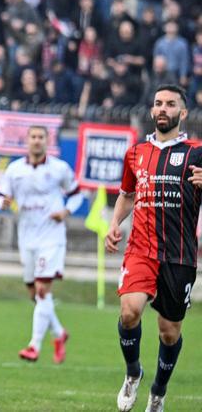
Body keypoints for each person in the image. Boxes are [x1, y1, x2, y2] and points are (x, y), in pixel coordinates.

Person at [108, 84, 202, 412]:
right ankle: (133, 372)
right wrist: (114, 224)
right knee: (130, 311)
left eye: (170, 104)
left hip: (180, 255)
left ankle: (158, 392)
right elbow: (127, 193)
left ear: (183, 112)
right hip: (141, 249)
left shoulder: (197, 152)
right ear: (152, 111)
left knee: (169, 334)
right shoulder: (135, 153)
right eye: (158, 103)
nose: (163, 108)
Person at [0, 125, 82, 363]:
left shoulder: (59, 168)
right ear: (27, 141)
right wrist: (2, 203)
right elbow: (2, 197)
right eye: (33, 137)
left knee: (43, 290)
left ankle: (34, 345)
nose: (37, 141)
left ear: (48, 141)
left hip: (52, 237)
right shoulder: (15, 170)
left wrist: (65, 211)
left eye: (41, 137)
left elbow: (77, 194)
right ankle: (59, 333)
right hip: (27, 237)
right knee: (34, 294)